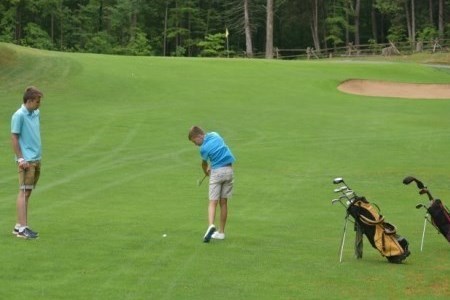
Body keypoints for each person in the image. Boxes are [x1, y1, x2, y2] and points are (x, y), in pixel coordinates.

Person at [188, 126, 235, 242]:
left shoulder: (203, 148)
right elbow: (219, 151)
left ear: (199, 136)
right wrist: (212, 164)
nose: (195, 144)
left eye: (195, 141)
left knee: (213, 202)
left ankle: (210, 226)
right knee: (223, 202)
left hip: (217, 174)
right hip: (229, 171)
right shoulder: (215, 134)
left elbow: (204, 164)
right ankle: (221, 232)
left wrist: (206, 171)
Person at [10, 86, 43, 239]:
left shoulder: (35, 112)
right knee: (23, 192)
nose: (39, 104)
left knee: (27, 192)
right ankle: (23, 229)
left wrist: (32, 89)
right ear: (29, 101)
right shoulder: (19, 115)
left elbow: (31, 90)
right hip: (26, 161)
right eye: (37, 101)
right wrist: (21, 158)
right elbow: (14, 138)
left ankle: (19, 226)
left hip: (36, 159)